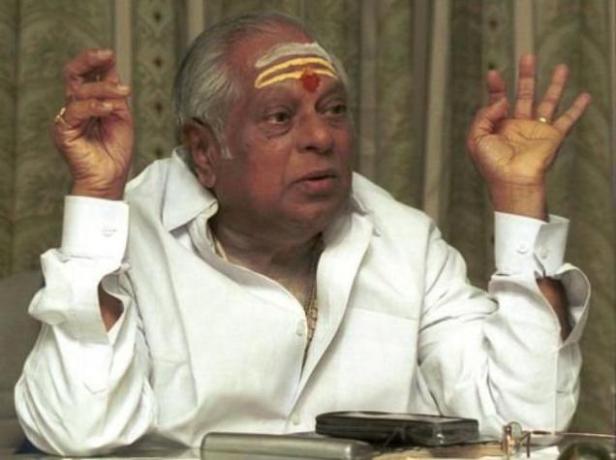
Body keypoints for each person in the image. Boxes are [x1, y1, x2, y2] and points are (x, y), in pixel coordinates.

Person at [14, 12, 591, 456]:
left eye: (334, 109)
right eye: (280, 117)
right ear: (205, 151)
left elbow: (525, 423)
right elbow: (77, 432)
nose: (321, 137)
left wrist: (520, 198)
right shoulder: (127, 238)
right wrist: (95, 197)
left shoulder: (405, 241)